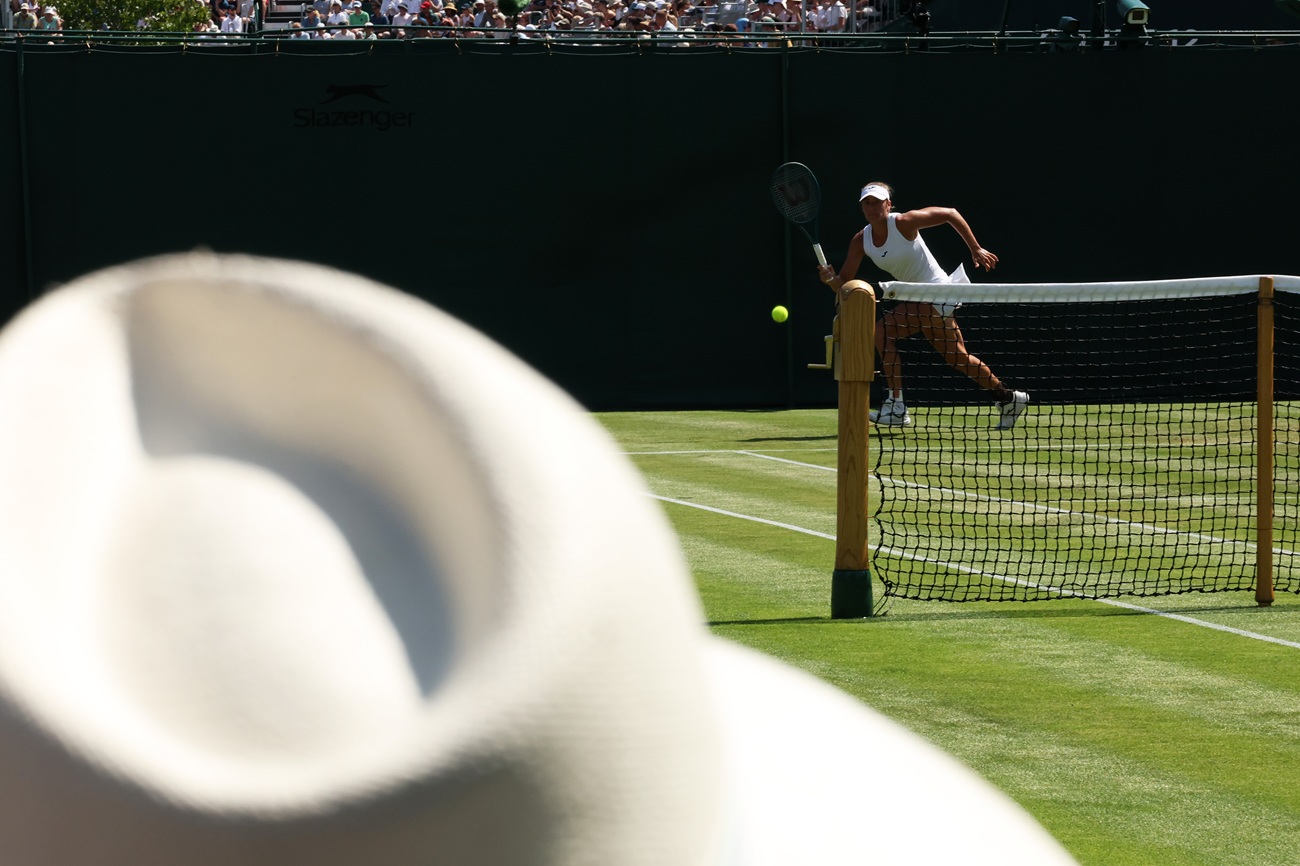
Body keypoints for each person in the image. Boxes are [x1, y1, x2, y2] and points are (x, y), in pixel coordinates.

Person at [818, 181, 1030, 430]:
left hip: (938, 292)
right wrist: (830, 280)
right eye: (866, 203)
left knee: (881, 332)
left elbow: (951, 213)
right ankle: (1009, 398)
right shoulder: (860, 241)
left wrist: (975, 248)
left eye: (877, 202)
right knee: (958, 359)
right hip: (920, 299)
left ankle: (896, 406)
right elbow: (844, 283)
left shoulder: (904, 222)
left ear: (888, 204)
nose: (871, 207)